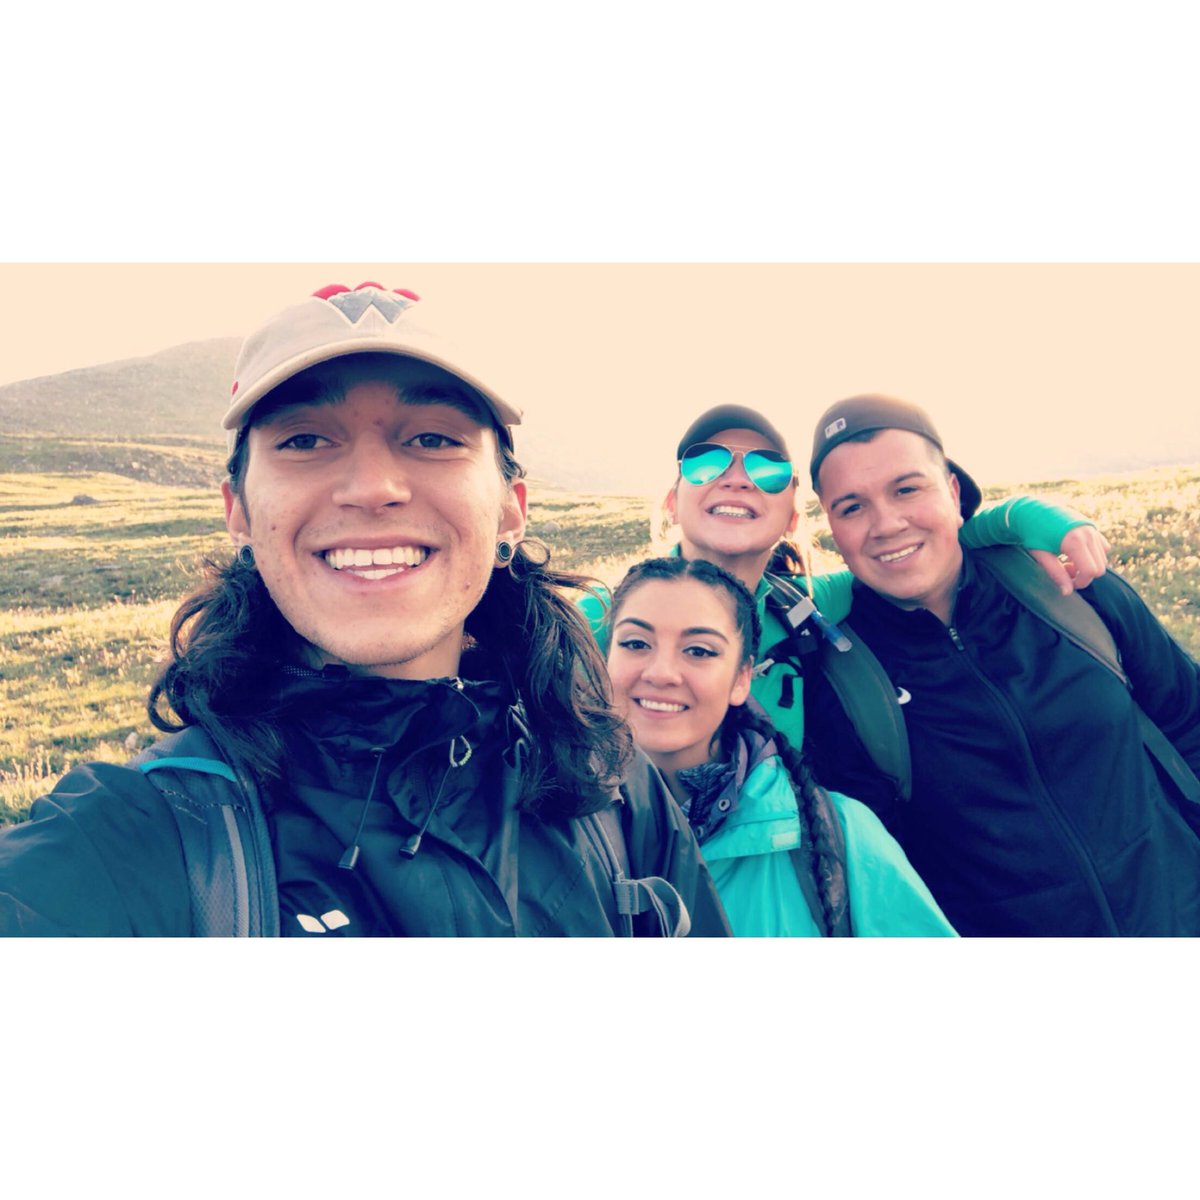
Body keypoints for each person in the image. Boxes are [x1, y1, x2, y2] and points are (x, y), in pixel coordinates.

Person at [0, 282, 730, 938]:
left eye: (434, 438)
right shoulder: (136, 842)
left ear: (511, 508)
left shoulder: (608, 784)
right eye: (306, 440)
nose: (373, 485)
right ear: (240, 511)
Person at [804, 392, 1200, 936]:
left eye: (907, 489)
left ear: (952, 490)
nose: (887, 523)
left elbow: (1188, 720)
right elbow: (877, 876)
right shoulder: (838, 675)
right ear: (832, 527)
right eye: (852, 507)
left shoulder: (1068, 586)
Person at [579, 402, 1110, 754]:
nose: (737, 478)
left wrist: (1032, 518)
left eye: (767, 470)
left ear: (790, 518)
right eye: (706, 463)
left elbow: (928, 549)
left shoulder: (811, 606)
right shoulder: (602, 617)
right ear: (673, 502)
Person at [605, 556, 955, 936]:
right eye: (636, 643)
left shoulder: (843, 837)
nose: (660, 672)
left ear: (742, 679)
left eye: (699, 650)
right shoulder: (542, 823)